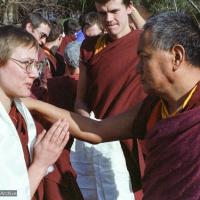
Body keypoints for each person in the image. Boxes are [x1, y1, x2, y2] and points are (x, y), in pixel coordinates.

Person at [23, 11, 200, 200]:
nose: (137, 68)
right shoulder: (157, 106)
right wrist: (31, 104)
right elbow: (96, 130)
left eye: (144, 57)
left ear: (177, 56)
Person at [75, 0, 146, 199]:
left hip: (140, 136)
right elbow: (80, 100)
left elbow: (159, 32)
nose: (108, 19)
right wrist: (86, 120)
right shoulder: (90, 47)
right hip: (104, 139)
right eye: (102, 13)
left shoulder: (145, 41)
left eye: (115, 11)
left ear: (129, 7)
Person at [0, 25, 69, 200]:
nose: (35, 74)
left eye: (36, 64)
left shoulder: (18, 110)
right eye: (26, 64)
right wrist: (40, 164)